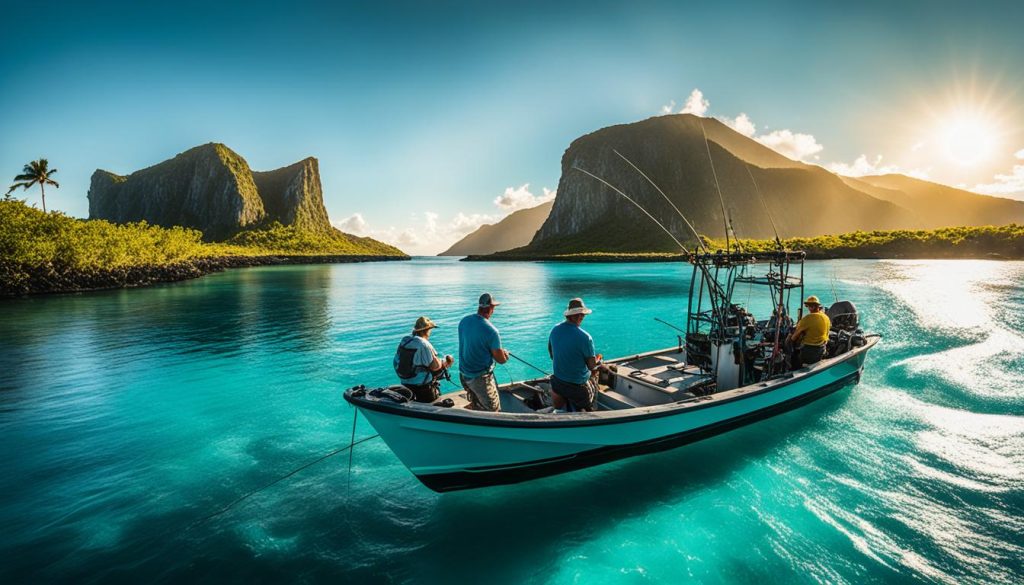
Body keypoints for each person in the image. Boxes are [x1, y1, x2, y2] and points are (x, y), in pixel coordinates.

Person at [548, 298, 608, 412]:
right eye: (581, 314)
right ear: (580, 316)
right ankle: (591, 407)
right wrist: (599, 362)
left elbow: (552, 355)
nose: (582, 316)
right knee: (595, 374)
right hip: (577, 389)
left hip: (557, 383)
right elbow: (592, 367)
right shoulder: (585, 337)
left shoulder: (554, 330)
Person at [457, 293, 509, 411]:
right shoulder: (492, 331)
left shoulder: (464, 321)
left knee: (476, 401)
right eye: (493, 307)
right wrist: (505, 355)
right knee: (493, 410)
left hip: (464, 375)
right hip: (480, 379)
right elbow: (500, 360)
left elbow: (472, 344)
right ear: (491, 308)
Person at [393, 316, 454, 403]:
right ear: (427, 330)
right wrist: (444, 363)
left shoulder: (405, 340)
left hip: (405, 383)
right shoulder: (423, 344)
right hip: (422, 387)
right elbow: (434, 366)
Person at [789, 295, 831, 368]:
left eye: (807, 306)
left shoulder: (808, 318)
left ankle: (792, 367)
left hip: (809, 351)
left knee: (790, 347)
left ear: (812, 307)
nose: (807, 308)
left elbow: (794, 337)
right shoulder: (826, 317)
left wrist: (790, 338)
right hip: (821, 349)